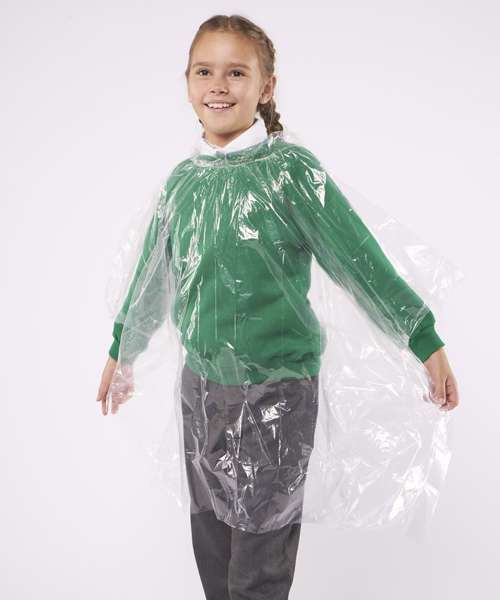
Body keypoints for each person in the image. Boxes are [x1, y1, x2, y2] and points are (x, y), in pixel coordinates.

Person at [96, 14, 460, 600]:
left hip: (277, 392)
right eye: (204, 72)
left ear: (266, 87)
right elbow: (152, 276)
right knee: (211, 540)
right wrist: (123, 351)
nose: (219, 85)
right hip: (201, 388)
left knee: (259, 557)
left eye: (236, 73)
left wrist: (424, 338)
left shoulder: (290, 173)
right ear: (186, 83)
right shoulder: (182, 182)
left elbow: (358, 258)